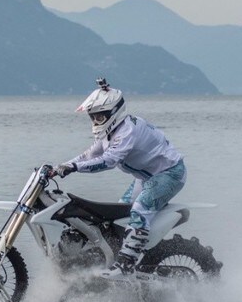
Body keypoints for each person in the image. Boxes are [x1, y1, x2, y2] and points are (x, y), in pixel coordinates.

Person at [52, 78, 186, 279]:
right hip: (145, 177)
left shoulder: (126, 131)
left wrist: (73, 167)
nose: (95, 121)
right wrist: (59, 167)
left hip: (169, 174)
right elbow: (89, 155)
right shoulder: (110, 132)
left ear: (114, 112)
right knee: (118, 217)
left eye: (99, 116)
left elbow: (108, 160)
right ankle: (112, 258)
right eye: (93, 117)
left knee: (140, 211)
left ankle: (126, 266)